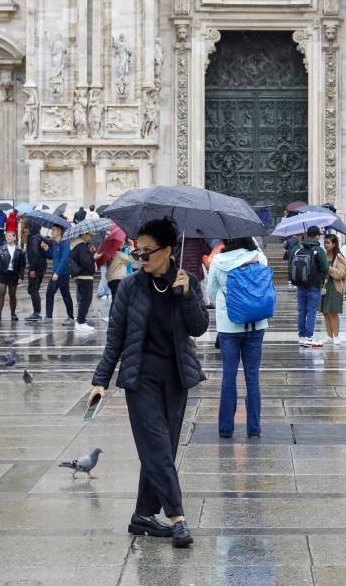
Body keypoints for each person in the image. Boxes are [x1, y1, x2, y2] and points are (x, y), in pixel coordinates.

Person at [88, 218, 208, 548]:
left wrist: (186, 296)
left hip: (177, 378)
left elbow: (198, 328)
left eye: (147, 251)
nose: (140, 257)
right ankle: (177, 517)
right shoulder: (130, 287)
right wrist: (100, 380)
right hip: (140, 378)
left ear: (168, 251)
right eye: (136, 250)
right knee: (156, 446)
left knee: (162, 451)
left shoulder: (188, 282)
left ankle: (142, 516)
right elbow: (115, 338)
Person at [203, 237, 269, 438]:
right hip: (256, 324)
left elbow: (211, 293)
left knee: (229, 376)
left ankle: (225, 428)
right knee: (252, 376)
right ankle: (254, 428)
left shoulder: (219, 261)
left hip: (228, 326)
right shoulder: (260, 257)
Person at [290, 226, 329, 347]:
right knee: (312, 311)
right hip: (314, 284)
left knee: (302, 311)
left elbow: (290, 264)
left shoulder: (297, 248)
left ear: (307, 235)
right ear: (317, 236)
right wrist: (321, 279)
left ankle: (302, 337)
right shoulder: (318, 249)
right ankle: (309, 337)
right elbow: (325, 268)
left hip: (300, 284)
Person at [43, 225, 74, 322]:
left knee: (66, 295)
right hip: (55, 274)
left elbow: (64, 259)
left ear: (60, 231)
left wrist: (57, 272)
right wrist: (46, 249)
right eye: (51, 230)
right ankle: (49, 317)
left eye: (53, 230)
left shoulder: (64, 243)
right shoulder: (55, 243)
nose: (52, 232)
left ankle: (71, 317)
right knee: (49, 293)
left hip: (62, 274)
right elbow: (51, 256)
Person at [321, 234, 346, 345]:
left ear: (334, 243)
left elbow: (341, 274)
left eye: (328, 243)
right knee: (325, 312)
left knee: (333, 313)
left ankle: (336, 336)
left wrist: (328, 268)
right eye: (325, 242)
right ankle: (329, 335)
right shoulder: (323, 255)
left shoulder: (338, 257)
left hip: (335, 287)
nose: (326, 245)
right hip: (324, 287)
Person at [0, 230, 25, 322]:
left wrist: (21, 277)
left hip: (14, 274)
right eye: (7, 236)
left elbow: (22, 266)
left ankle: (13, 314)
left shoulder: (20, 250)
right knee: (1, 292)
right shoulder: (1, 248)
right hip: (3, 273)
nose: (8, 238)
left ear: (14, 238)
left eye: (10, 236)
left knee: (12, 294)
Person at [69, 229, 97, 327]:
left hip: (81, 276)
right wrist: (93, 258)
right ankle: (81, 322)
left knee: (84, 299)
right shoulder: (81, 247)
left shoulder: (78, 246)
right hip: (85, 276)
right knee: (86, 299)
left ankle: (81, 321)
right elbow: (87, 262)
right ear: (84, 234)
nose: (90, 237)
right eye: (89, 235)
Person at [25, 222, 48, 320]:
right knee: (33, 289)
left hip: (36, 266)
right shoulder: (40, 237)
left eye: (28, 228)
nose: (26, 230)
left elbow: (34, 252)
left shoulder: (33, 238)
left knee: (33, 290)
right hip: (42, 266)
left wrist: (32, 268)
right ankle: (36, 312)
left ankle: (37, 313)